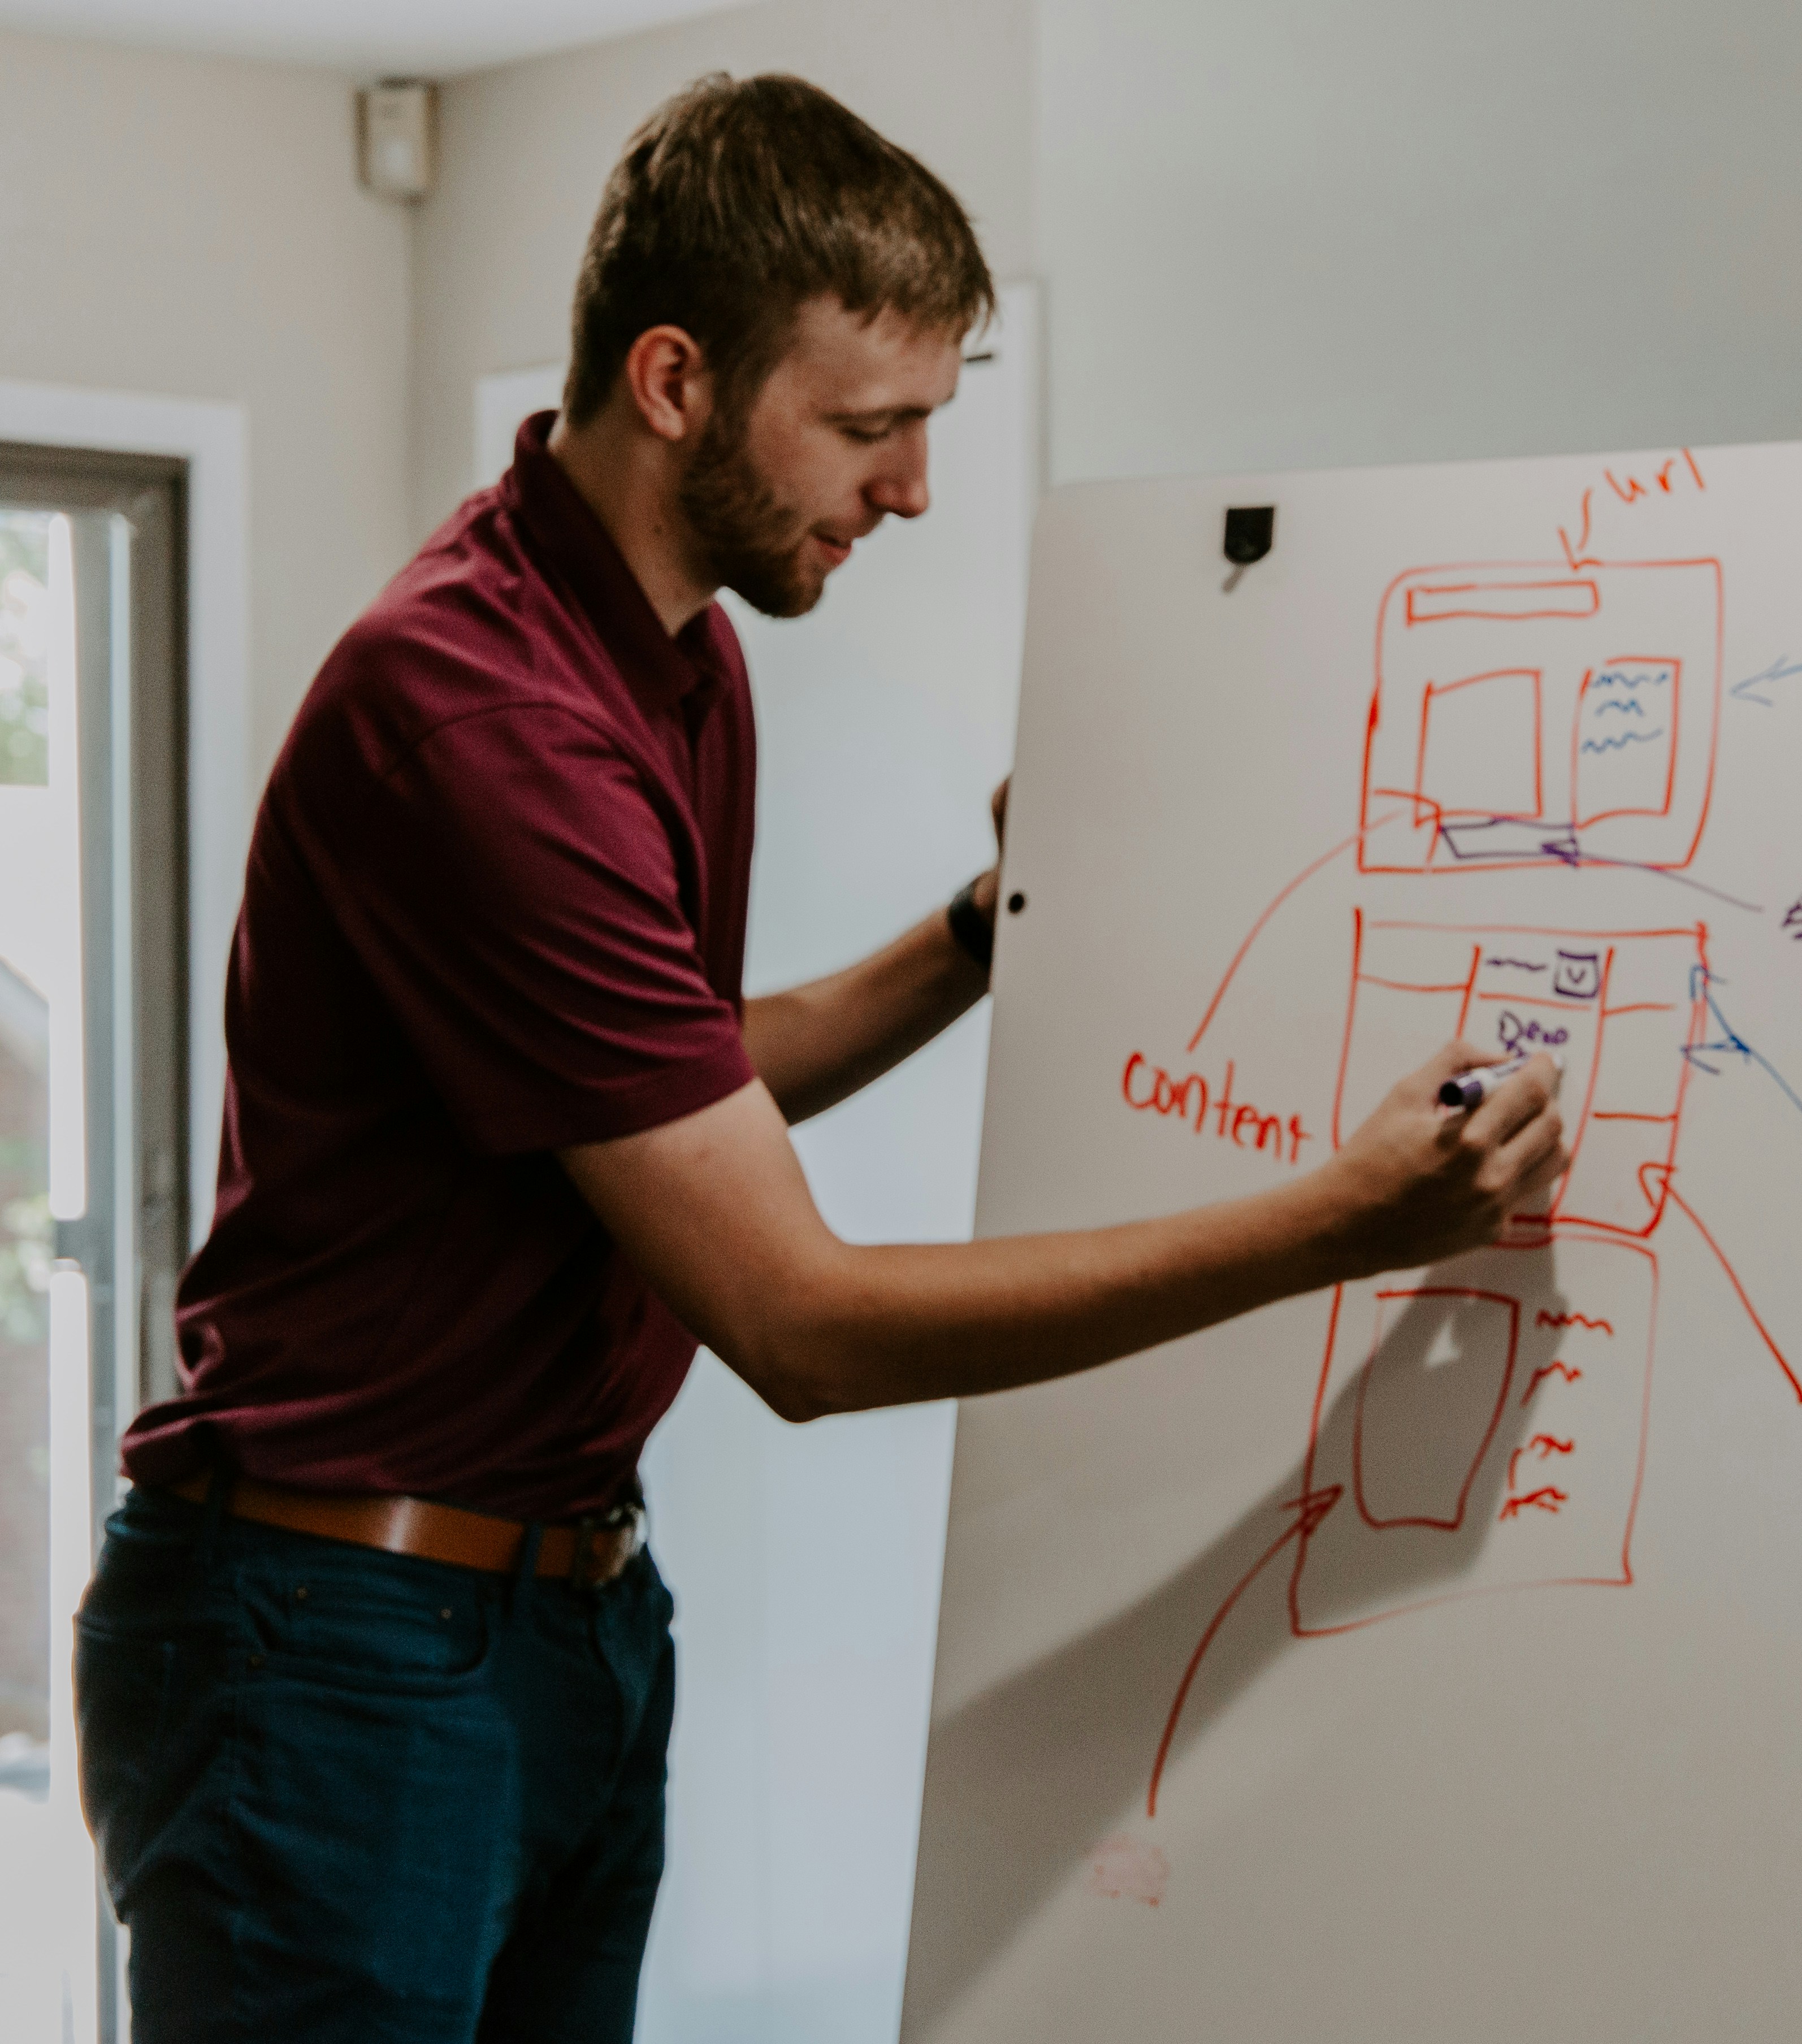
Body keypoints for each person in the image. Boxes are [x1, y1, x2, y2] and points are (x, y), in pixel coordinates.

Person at [72, 73, 1563, 2041]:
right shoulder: (479, 714)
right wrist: (1341, 1222)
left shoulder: (672, 654)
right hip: (339, 1643)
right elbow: (799, 1323)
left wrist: (979, 931)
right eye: (872, 426)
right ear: (675, 380)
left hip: (564, 1612)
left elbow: (677, 1076)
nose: (914, 488)